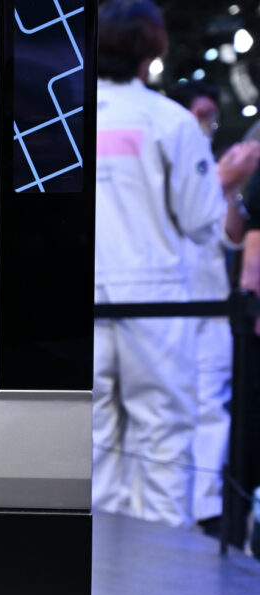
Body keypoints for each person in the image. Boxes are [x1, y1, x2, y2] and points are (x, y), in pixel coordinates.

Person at [94, 0, 229, 526]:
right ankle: (158, 564)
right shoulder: (170, 121)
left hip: (82, 296)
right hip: (154, 297)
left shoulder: (63, 118)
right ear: (153, 48)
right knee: (163, 438)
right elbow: (202, 220)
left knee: (91, 440)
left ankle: (95, 567)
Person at [168, 82, 260, 526]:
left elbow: (231, 234)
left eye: (211, 115)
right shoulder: (165, 150)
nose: (206, 123)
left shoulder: (213, 158)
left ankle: (206, 511)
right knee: (162, 404)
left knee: (211, 403)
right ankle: (162, 509)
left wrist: (231, 189)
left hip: (211, 301)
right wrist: (222, 178)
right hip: (164, 300)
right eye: (199, 113)